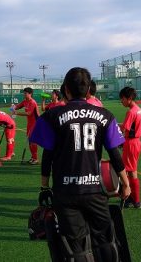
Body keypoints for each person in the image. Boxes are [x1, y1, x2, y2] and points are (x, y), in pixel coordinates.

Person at [30, 67, 130, 261]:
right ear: (89, 90)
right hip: (95, 190)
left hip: (65, 192)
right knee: (105, 240)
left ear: (66, 89)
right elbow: (115, 155)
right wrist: (125, 184)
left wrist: (44, 186)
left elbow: (47, 156)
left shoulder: (51, 116)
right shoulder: (105, 115)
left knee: (76, 247)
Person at [119, 87, 141, 209]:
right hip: (137, 142)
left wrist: (113, 126)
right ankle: (133, 199)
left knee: (129, 171)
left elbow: (124, 129)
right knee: (131, 171)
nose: (121, 101)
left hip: (131, 143)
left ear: (129, 99)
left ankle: (135, 199)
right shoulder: (138, 110)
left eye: (122, 99)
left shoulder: (131, 112)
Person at [12, 87, 39, 165]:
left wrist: (17, 113)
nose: (24, 94)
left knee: (33, 141)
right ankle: (33, 157)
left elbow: (29, 113)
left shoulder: (32, 102)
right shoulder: (25, 101)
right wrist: (13, 107)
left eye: (25, 93)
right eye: (23, 93)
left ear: (30, 94)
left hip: (36, 123)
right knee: (30, 141)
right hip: (29, 124)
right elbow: (17, 106)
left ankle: (36, 158)